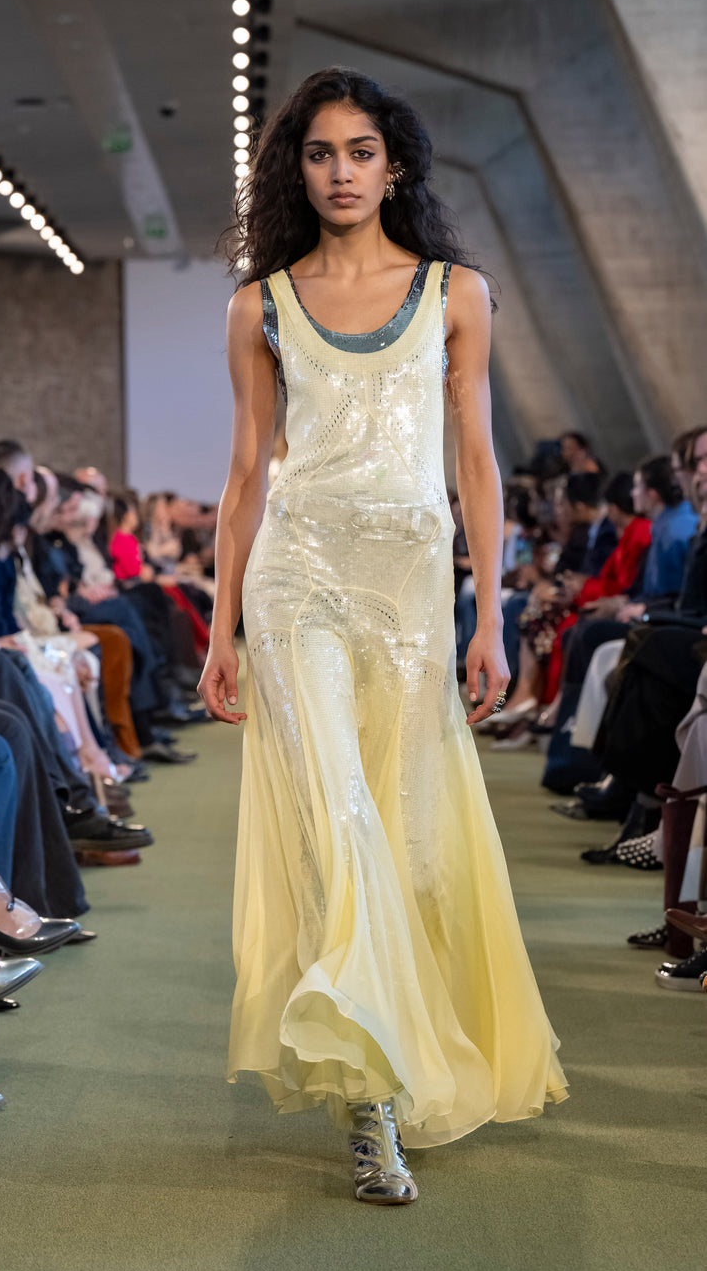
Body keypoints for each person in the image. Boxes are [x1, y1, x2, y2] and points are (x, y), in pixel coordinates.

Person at [197, 67, 568, 1206]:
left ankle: (388, 1061)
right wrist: (221, 626)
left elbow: (476, 463)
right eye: (320, 152)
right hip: (296, 580)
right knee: (339, 818)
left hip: (409, 591)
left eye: (361, 151)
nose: (342, 171)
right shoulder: (259, 307)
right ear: (296, 170)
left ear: (394, 164)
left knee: (407, 835)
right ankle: (371, 1107)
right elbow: (246, 474)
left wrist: (491, 615)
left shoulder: (458, 293)